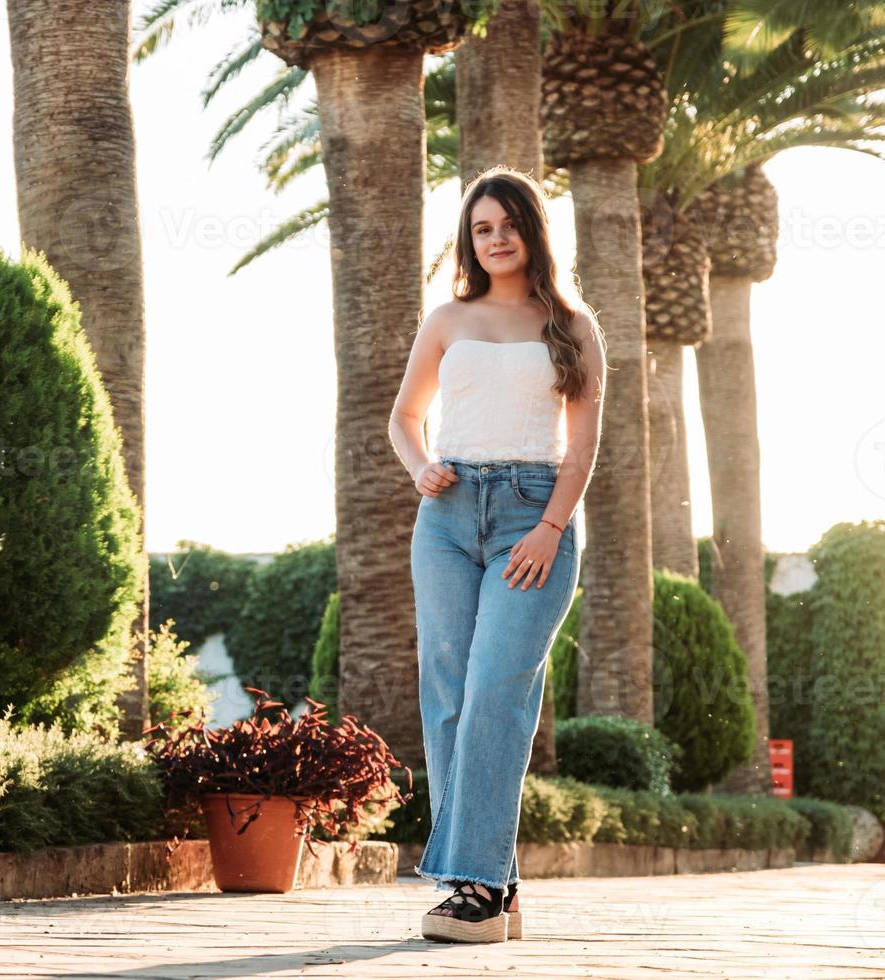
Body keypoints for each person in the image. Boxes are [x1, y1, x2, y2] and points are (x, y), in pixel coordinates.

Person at [387, 166, 607, 944]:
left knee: (494, 689)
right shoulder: (447, 318)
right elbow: (405, 417)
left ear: (532, 230)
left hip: (533, 516)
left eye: (509, 222)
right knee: (447, 694)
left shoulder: (572, 325)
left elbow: (583, 445)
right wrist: (421, 468)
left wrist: (550, 526)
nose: (496, 237)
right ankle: (490, 884)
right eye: (482, 227)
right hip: (445, 516)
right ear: (469, 240)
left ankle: (475, 883)